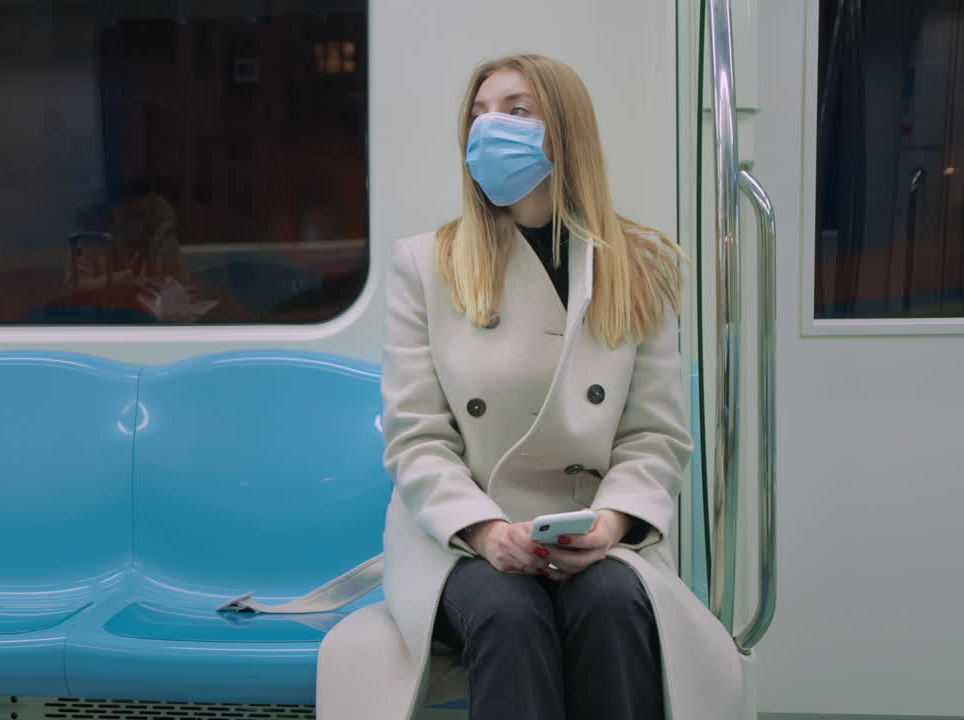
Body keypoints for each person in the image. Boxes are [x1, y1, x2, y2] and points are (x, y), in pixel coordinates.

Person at [313, 54, 746, 720]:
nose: (490, 128)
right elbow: (417, 439)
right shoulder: (425, 266)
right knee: (507, 610)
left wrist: (611, 522)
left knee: (613, 602)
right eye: (479, 114)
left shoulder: (640, 265)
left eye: (516, 111)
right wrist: (485, 531)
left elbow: (654, 435)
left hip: (592, 532)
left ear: (564, 130)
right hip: (461, 539)